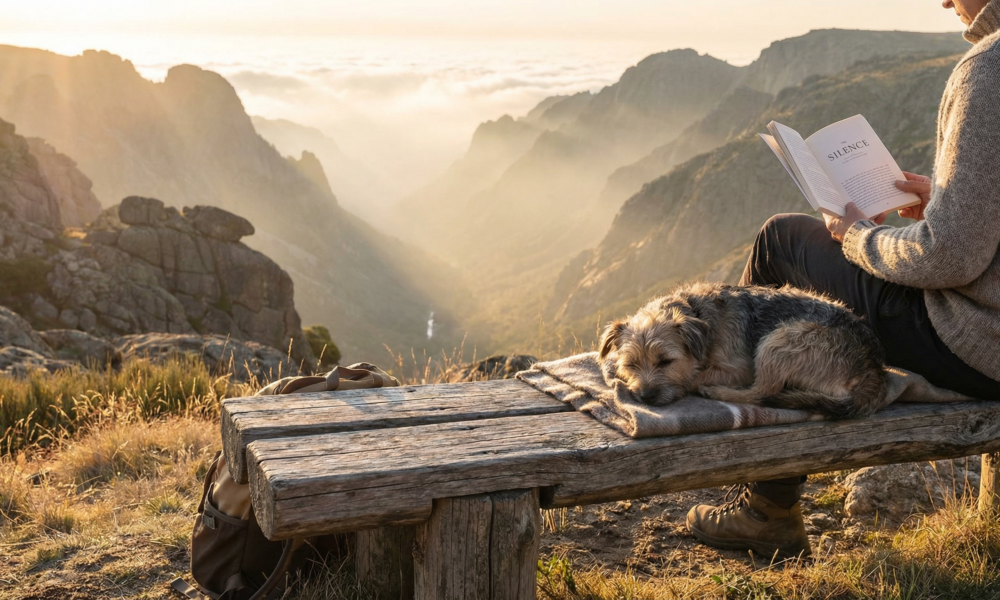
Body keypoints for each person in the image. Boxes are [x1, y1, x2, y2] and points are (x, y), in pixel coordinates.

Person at [686, 0, 1000, 558]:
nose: (944, 2)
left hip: (979, 345)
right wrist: (950, 203)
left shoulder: (989, 69)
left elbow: (950, 259)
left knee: (781, 239)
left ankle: (767, 509)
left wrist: (858, 236)